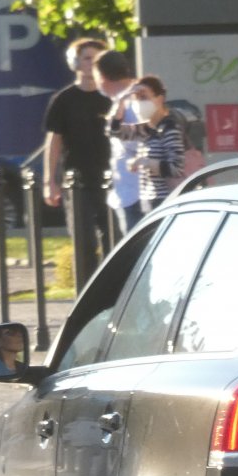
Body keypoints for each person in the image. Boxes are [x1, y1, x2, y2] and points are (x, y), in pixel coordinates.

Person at [43, 37, 110, 289]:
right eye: (86, 58)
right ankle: (85, 294)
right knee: (84, 242)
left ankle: (112, 294)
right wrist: (50, 181)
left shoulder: (112, 97)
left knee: (113, 238)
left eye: (97, 58)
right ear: (75, 63)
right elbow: (54, 142)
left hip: (110, 178)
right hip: (78, 180)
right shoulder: (64, 100)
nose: (91, 63)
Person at [107, 75, 184, 214]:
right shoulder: (146, 129)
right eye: (136, 98)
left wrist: (144, 162)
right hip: (148, 203)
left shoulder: (168, 128)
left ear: (159, 99)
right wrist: (122, 103)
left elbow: (176, 168)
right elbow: (114, 132)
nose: (139, 103)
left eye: (144, 97)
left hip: (165, 202)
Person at [92, 49, 143, 239]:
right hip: (130, 192)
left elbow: (145, 141)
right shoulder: (128, 98)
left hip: (137, 194)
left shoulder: (134, 100)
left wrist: (115, 128)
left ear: (102, 77)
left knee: (139, 252)